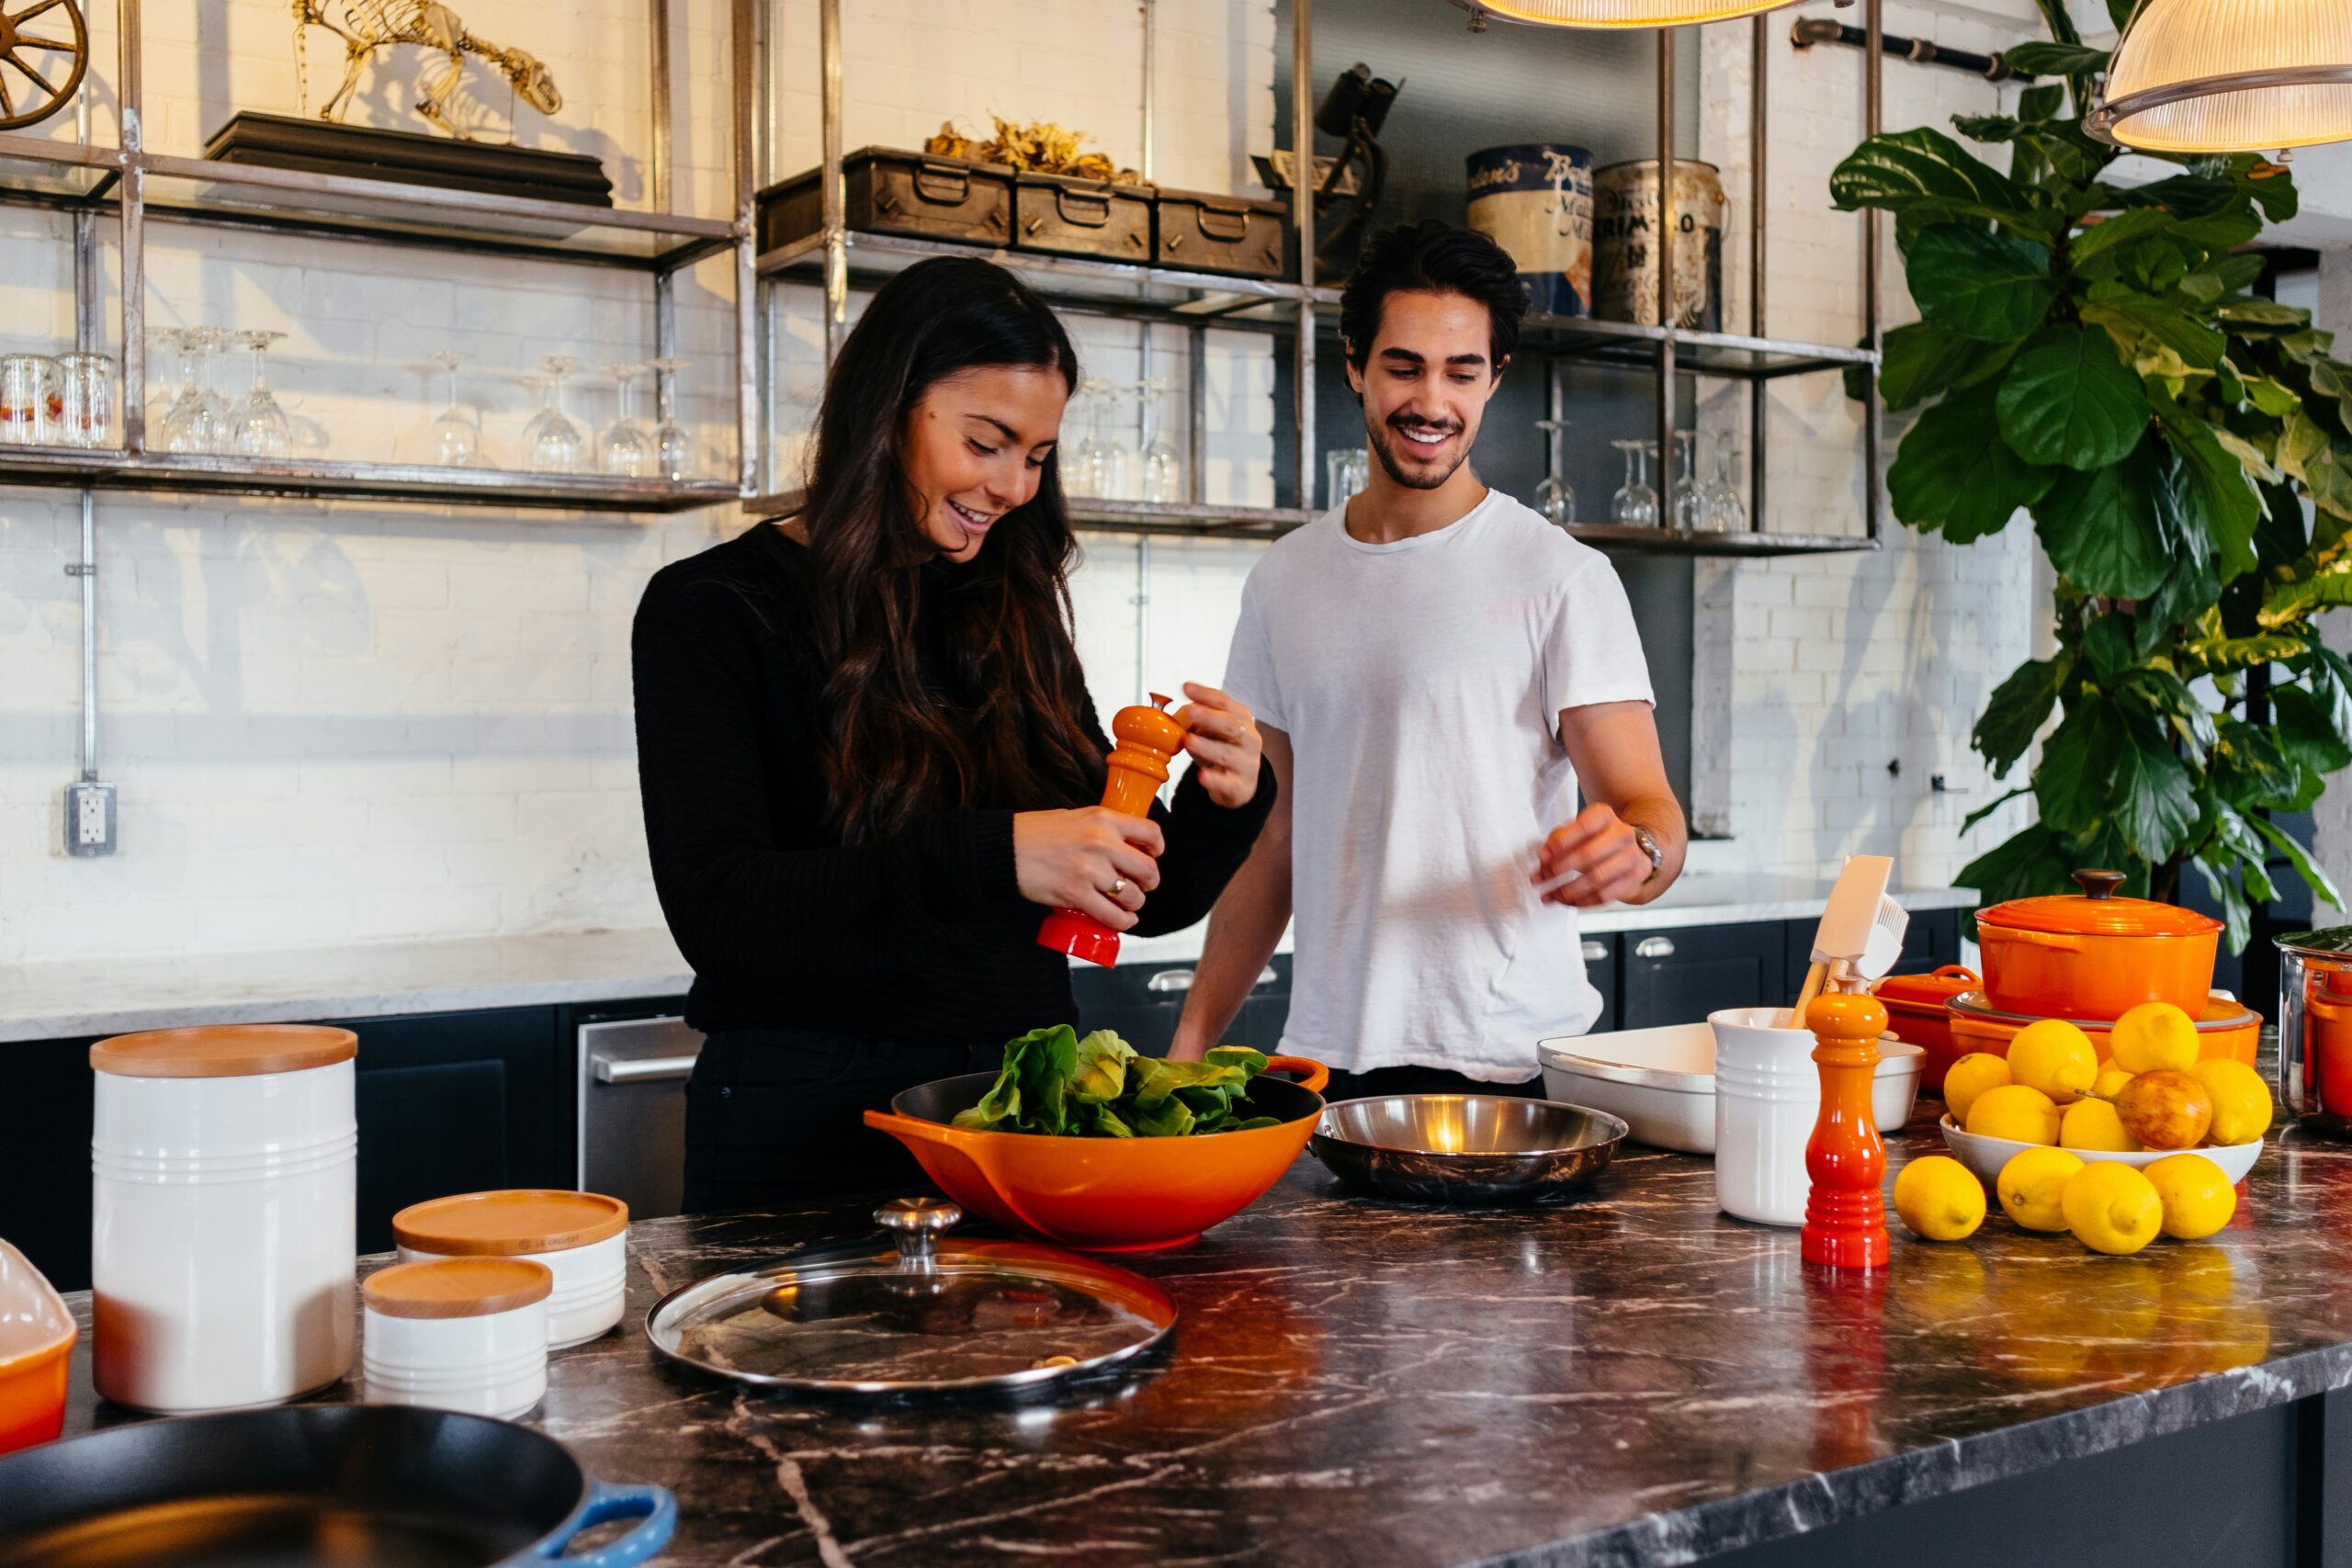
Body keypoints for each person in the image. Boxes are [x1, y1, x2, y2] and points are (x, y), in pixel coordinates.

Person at [632, 255, 1275, 1211]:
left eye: (1037, 455)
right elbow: (721, 917)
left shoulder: (1012, 607)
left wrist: (1223, 801)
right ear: (889, 408)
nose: (1014, 485)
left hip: (1019, 1118)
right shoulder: (711, 609)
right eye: (987, 442)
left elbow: (1125, 900)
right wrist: (997, 856)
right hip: (803, 1134)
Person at [1168, 220, 1685, 1100]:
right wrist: (1188, 1047)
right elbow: (1273, 840)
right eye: (1404, 367)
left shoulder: (1562, 577)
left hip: (1510, 1066)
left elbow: (1651, 818)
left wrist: (1633, 853)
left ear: (1495, 378)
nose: (1432, 402)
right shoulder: (1286, 578)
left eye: (1462, 371)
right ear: (1355, 367)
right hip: (1326, 1065)